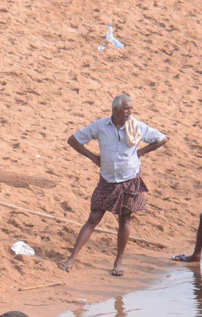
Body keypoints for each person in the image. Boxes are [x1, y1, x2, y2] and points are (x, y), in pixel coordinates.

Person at [60, 94, 168, 277]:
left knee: (125, 220)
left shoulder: (136, 126)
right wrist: (93, 157)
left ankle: (118, 261)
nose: (130, 112)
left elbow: (162, 139)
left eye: (131, 108)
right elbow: (73, 140)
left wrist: (140, 152)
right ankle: (72, 258)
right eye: (127, 109)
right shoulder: (101, 126)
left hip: (130, 179)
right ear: (115, 110)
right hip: (107, 180)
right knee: (93, 218)